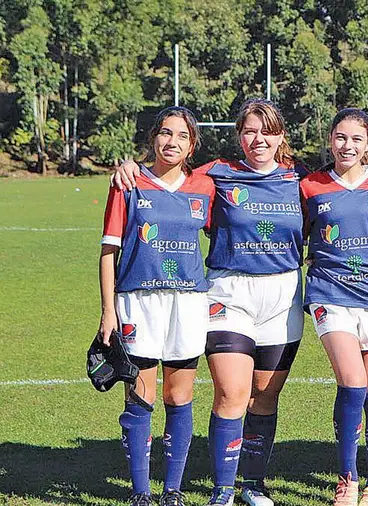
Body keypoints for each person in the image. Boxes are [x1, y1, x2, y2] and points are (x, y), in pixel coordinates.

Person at [114, 101, 368, 506]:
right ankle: (222, 490)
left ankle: (253, 484)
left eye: (267, 132)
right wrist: (131, 166)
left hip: (282, 297)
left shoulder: (300, 178)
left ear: (281, 136)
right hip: (229, 294)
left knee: (265, 395)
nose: (258, 140)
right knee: (231, 393)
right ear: (238, 136)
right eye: (249, 131)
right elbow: (170, 175)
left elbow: (346, 190)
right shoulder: (217, 173)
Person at [100, 106, 215, 506]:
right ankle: (141, 492)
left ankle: (173, 491)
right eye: (166, 133)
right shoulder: (129, 184)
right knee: (140, 395)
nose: (172, 142)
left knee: (179, 396)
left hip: (188, 303)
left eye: (182, 136)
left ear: (192, 144)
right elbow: (107, 252)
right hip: (138, 301)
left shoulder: (206, 186)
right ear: (154, 137)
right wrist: (108, 310)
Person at [301, 108, 368, 506]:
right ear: (330, 140)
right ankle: (348, 479)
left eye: (356, 139)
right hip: (329, 294)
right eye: (341, 137)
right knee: (353, 381)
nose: (347, 145)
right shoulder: (309, 186)